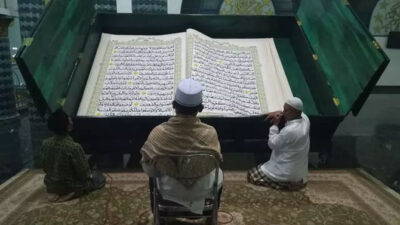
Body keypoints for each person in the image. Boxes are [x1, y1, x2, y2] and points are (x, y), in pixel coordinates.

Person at [140, 78, 223, 215]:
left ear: (173, 105)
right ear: (201, 108)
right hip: (204, 189)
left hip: (169, 190)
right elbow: (214, 162)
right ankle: (211, 212)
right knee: (218, 173)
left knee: (152, 171)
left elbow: (149, 170)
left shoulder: (158, 133)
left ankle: (158, 213)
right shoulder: (210, 133)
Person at [41, 109, 106, 202]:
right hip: (71, 186)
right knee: (99, 177)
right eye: (69, 119)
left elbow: (45, 167)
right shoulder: (74, 147)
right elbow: (84, 174)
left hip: (51, 185)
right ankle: (71, 193)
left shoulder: (45, 143)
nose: (71, 120)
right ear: (68, 126)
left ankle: (57, 193)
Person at [247, 97, 310, 191]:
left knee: (251, 176)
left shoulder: (290, 130)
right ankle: (295, 182)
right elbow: (298, 112)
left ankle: (286, 185)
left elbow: (272, 144)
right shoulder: (305, 120)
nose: (283, 112)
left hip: (286, 172)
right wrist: (279, 112)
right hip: (300, 172)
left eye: (286, 110)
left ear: (296, 112)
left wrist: (275, 125)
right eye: (284, 109)